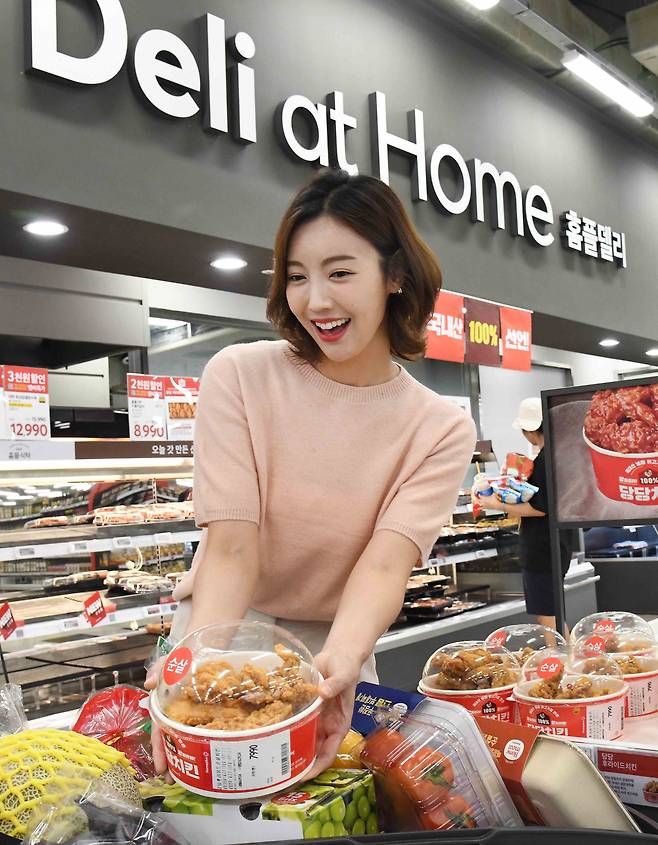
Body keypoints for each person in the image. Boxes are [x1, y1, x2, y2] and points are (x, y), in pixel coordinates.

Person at [146, 169, 476, 774]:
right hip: (225, 618)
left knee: (327, 799)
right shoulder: (240, 375)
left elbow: (384, 563)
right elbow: (231, 547)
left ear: (395, 275)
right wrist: (196, 683)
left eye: (341, 272)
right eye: (297, 276)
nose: (315, 300)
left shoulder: (440, 427)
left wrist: (345, 660)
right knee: (198, 788)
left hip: (335, 640)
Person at [477, 397, 573, 633]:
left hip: (542, 549)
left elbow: (540, 508)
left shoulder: (544, 460)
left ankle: (564, 661)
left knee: (548, 614)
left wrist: (495, 503)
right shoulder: (559, 455)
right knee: (552, 611)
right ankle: (565, 658)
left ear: (529, 431)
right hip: (556, 545)